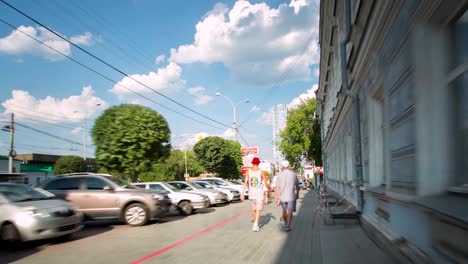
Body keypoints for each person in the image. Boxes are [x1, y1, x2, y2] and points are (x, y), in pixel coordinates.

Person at [241, 157, 270, 232]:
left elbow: (245, 183)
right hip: (259, 193)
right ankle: (256, 224)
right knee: (257, 209)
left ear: (252, 163)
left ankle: (255, 224)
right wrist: (268, 189)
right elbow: (265, 183)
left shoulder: (248, 172)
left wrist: (242, 193)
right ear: (258, 163)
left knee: (254, 209)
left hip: (251, 193)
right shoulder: (261, 172)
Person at [275, 160, 300, 231]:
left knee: (284, 211)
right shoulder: (293, 174)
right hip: (291, 196)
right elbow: (297, 185)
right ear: (288, 166)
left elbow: (277, 187)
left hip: (282, 196)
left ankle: (286, 223)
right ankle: (288, 225)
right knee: (290, 211)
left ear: (282, 167)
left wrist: (277, 196)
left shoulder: (279, 175)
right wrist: (297, 194)